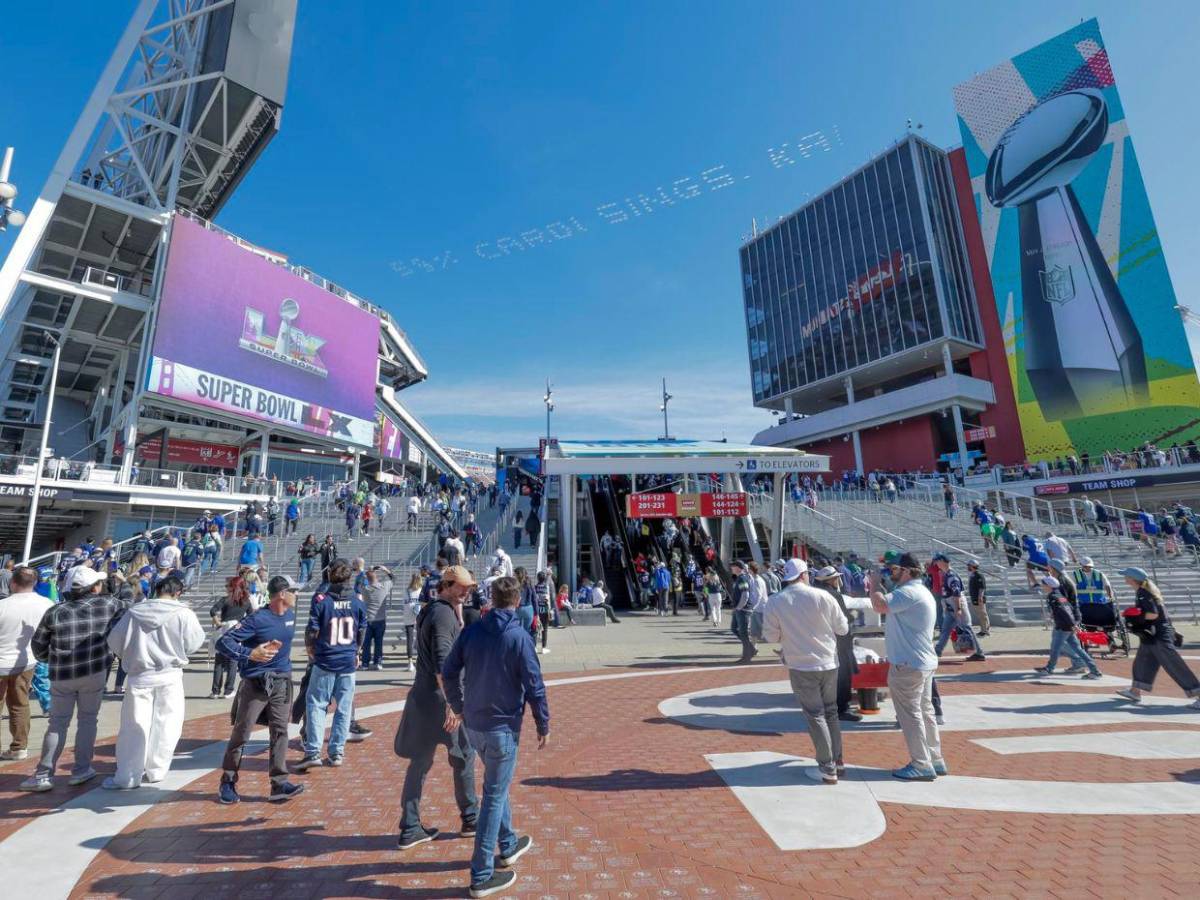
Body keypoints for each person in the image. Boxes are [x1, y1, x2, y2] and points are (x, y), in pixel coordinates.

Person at [442, 575, 549, 898]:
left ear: (491, 598)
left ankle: (508, 842)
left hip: (475, 724)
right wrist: (543, 723)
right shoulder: (518, 636)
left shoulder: (472, 630)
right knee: (493, 795)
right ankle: (482, 873)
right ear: (517, 602)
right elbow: (534, 684)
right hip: (502, 726)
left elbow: (448, 670)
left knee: (494, 786)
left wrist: (459, 706)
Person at [19, 568, 129, 791]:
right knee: (88, 720)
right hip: (95, 671)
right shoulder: (108, 605)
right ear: (95, 587)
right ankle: (81, 769)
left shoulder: (56, 611)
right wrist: (123, 581)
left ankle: (43, 774)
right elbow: (130, 602)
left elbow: (39, 645)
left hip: (62, 674)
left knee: (57, 723)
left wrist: (53, 658)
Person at [394, 565, 479, 851]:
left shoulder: (433, 609)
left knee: (420, 762)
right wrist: (454, 705)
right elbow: (444, 662)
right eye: (463, 587)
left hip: (423, 698)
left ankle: (410, 826)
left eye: (469, 587)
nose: (468, 592)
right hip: (441, 701)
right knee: (464, 757)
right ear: (447, 584)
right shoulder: (443, 615)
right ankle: (470, 819)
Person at [102, 576, 205, 789]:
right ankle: (157, 769)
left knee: (134, 724)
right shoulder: (184, 614)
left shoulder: (134, 612)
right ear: (178, 592)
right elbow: (195, 642)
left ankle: (129, 775)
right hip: (170, 673)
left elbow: (115, 641)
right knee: (168, 723)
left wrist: (130, 656)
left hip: (140, 673)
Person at [214, 575, 306, 804]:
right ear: (282, 594)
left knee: (280, 731)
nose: (299, 595)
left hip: (282, 682)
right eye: (295, 591)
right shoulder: (258, 619)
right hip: (256, 684)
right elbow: (223, 642)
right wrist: (249, 654)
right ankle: (228, 780)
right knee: (242, 733)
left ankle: (279, 784)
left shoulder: (292, 616)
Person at [763, 559, 849, 783]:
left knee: (815, 714)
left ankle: (827, 766)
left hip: (800, 664)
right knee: (830, 711)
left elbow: (770, 636)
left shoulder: (775, 601)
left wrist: (788, 635)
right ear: (804, 575)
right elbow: (843, 628)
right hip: (829, 662)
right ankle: (837, 761)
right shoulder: (823, 596)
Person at [869, 552, 945, 781]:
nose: (891, 574)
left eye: (894, 570)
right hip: (921, 661)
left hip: (908, 663)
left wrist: (874, 585)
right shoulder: (920, 592)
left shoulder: (908, 592)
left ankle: (921, 763)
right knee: (925, 711)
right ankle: (934, 758)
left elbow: (879, 605)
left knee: (911, 715)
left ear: (908, 571)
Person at [296, 561, 368, 771]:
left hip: (326, 659)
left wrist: (311, 651)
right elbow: (362, 630)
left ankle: (313, 751)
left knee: (317, 704)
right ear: (349, 578)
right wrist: (357, 651)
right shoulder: (357, 601)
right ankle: (336, 752)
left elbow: (311, 630)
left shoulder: (321, 600)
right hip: (347, 660)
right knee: (344, 708)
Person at [1115, 567, 1200, 708]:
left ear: (1132, 579)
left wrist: (1134, 616)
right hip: (1152, 634)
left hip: (1158, 635)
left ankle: (1197, 692)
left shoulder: (1144, 593)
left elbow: (1153, 614)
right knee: (1142, 661)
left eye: (1126, 576)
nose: (1124, 578)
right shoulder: (1145, 591)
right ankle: (1135, 691)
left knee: (1174, 665)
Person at [0, 567, 53, 760]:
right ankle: (19, 747)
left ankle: (18, 747)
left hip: (3, 661)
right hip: (27, 661)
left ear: (13, 583)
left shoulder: (3, 606)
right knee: (20, 705)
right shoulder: (47, 604)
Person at [812, 566, 861, 722]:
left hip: (820, 641)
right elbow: (843, 619)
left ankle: (826, 706)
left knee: (825, 678)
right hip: (839, 642)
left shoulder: (813, 595)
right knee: (843, 677)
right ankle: (841, 709)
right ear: (832, 580)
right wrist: (854, 616)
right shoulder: (834, 595)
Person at [1033, 576, 1102, 679]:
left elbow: (1064, 612)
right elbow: (1069, 609)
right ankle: (1094, 670)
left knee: (1055, 649)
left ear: (1049, 586)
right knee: (1078, 650)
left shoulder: (1052, 596)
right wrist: (1074, 623)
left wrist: (1072, 625)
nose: (1042, 586)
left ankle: (1049, 668)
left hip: (1063, 627)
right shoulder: (1060, 595)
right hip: (1068, 627)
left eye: (1044, 584)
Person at [932, 554, 986, 661]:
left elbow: (956, 593)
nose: (936, 564)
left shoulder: (951, 575)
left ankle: (979, 653)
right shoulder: (946, 574)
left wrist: (958, 608)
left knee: (967, 628)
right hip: (950, 607)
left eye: (937, 561)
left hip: (957, 606)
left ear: (943, 561)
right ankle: (937, 651)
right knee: (945, 630)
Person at [210, 576, 254, 698]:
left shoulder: (225, 600)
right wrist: (241, 623)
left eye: (227, 585)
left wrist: (217, 621)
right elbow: (251, 616)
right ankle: (228, 691)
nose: (226, 587)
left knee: (219, 662)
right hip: (235, 631)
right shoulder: (246, 601)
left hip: (222, 629)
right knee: (232, 662)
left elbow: (213, 610)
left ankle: (215, 691)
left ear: (232, 587)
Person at [360, 566, 394, 671]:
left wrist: (366, 572)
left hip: (368, 619)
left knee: (366, 643)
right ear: (377, 577)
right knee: (379, 642)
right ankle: (378, 662)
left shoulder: (365, 589)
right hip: (380, 619)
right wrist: (385, 569)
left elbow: (360, 582)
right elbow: (393, 578)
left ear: (367, 578)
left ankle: (365, 663)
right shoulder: (384, 586)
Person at [730, 560, 758, 663]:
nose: (731, 568)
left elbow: (745, 594)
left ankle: (746, 656)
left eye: (732, 566)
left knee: (743, 633)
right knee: (734, 629)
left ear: (738, 567)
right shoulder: (741, 578)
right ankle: (751, 649)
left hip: (743, 609)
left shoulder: (742, 578)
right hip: (740, 609)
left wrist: (738, 607)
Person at [398, 573, 421, 671]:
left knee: (409, 640)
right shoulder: (421, 591)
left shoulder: (406, 591)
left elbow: (403, 604)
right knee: (421, 638)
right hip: (419, 616)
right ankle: (420, 660)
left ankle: (410, 662)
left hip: (408, 617)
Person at [966, 560, 990, 636]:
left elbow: (982, 587)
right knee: (980, 615)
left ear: (973, 566)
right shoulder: (973, 575)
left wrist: (980, 597)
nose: (968, 567)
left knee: (982, 614)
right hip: (975, 598)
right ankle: (984, 629)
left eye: (969, 565)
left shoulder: (979, 575)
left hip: (979, 599)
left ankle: (985, 630)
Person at [533, 571, 553, 654]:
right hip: (545, 610)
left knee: (535, 629)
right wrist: (550, 610)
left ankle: (534, 647)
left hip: (537, 610)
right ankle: (544, 647)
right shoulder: (546, 587)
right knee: (545, 629)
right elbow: (548, 599)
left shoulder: (535, 587)